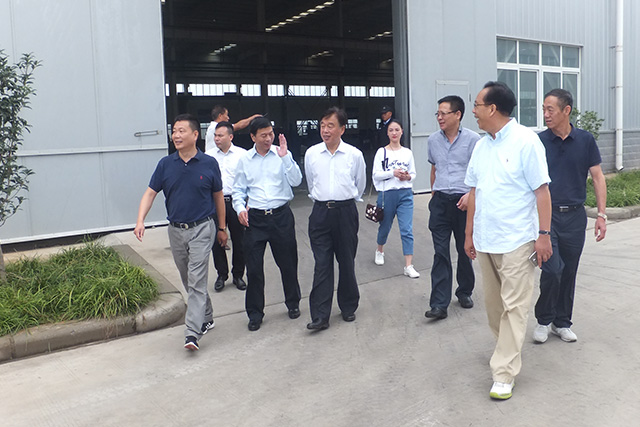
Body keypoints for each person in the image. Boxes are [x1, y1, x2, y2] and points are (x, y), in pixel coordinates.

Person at [464, 81, 552, 400]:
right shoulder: (481, 146)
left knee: (514, 307)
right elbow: (474, 191)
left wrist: (543, 235)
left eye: (476, 105)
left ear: (492, 108)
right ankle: (506, 351)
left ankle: (504, 372)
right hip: (487, 239)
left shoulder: (526, 141)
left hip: (517, 239)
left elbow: (542, 191)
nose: (473, 111)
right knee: (494, 307)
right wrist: (469, 233)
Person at [134, 113, 227, 352]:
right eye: (174, 131)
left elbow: (218, 197)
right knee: (188, 278)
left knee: (196, 279)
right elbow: (150, 193)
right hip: (176, 230)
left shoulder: (209, 163)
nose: (175, 135)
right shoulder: (166, 164)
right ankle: (207, 316)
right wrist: (140, 220)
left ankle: (192, 332)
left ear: (195, 135)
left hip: (202, 228)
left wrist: (222, 228)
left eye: (181, 131)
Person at [532, 88, 608, 344]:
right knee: (552, 269)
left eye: (550, 109)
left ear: (566, 110)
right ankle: (544, 320)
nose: (545, 114)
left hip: (575, 217)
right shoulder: (539, 142)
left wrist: (601, 215)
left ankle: (562, 322)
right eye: (543, 109)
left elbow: (597, 177)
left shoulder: (585, 140)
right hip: (548, 217)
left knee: (569, 271)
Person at [232, 116, 302, 332]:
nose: (268, 138)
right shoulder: (245, 160)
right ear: (253, 137)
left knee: (288, 264)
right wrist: (240, 209)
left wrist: (286, 158)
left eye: (270, 134)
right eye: (263, 135)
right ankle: (255, 313)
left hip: (281, 217)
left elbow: (297, 181)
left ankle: (293, 303)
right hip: (256, 219)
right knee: (254, 269)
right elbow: (238, 190)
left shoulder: (282, 154)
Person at [304, 107, 366, 331]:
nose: (325, 130)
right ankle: (320, 315)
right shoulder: (312, 154)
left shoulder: (354, 155)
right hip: (320, 213)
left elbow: (359, 184)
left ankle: (348, 306)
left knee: (346, 261)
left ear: (342, 129)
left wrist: (344, 200)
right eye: (322, 125)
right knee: (322, 263)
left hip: (345, 212)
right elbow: (311, 183)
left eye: (330, 126)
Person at [425, 95, 479, 320]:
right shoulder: (432, 140)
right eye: (437, 114)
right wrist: (434, 194)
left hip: (463, 202)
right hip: (440, 202)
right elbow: (434, 169)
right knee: (440, 253)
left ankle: (464, 291)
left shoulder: (474, 140)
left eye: (443, 113)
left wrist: (470, 196)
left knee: (464, 250)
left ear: (458, 115)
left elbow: (480, 174)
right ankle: (439, 304)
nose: (439, 117)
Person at [372, 119, 419, 278]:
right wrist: (392, 173)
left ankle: (408, 265)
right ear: (387, 133)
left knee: (406, 229)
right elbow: (376, 175)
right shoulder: (381, 152)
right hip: (387, 194)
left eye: (397, 130)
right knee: (385, 226)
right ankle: (380, 249)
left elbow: (413, 173)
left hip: (405, 194)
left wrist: (407, 177)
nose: (394, 133)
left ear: (402, 132)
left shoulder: (407, 153)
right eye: (391, 130)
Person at [205, 121, 248, 292]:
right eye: (215, 135)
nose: (216, 138)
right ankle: (221, 274)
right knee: (217, 241)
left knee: (240, 241)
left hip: (235, 202)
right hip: (215, 203)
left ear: (230, 136)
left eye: (220, 135)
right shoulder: (208, 156)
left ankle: (238, 275)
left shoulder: (242, 155)